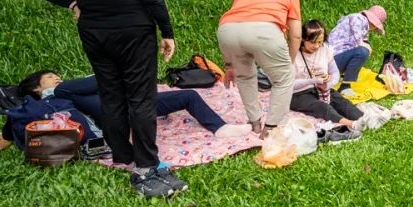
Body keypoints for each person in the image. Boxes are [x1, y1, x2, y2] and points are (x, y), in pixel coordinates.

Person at [29, 0, 183, 199]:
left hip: (95, 34)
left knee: (111, 94)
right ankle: (147, 163)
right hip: (134, 33)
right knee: (141, 97)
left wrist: (72, 3)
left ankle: (122, 156)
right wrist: (167, 33)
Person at [18, 71, 252, 140]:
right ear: (36, 88)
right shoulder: (61, 91)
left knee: (188, 95)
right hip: (126, 111)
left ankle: (221, 129)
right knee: (187, 96)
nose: (57, 78)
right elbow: (102, 78)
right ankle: (221, 129)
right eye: (50, 76)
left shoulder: (65, 91)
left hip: (132, 106)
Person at [217, 0, 301, 140]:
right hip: (264, 31)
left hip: (226, 30)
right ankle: (269, 130)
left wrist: (229, 66)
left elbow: (237, 25)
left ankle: (255, 124)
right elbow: (296, 35)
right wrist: (289, 63)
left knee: (244, 77)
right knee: (284, 79)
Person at [326, 6, 387, 97]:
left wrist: (364, 42)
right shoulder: (358, 18)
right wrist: (361, 43)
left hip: (334, 60)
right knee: (362, 51)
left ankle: (344, 76)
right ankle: (345, 86)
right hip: (333, 59)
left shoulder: (362, 26)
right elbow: (356, 30)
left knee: (364, 47)